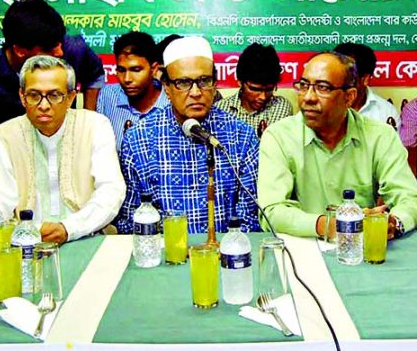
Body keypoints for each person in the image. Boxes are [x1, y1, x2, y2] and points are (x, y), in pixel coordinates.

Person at [258, 52, 417, 239]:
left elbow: (413, 201)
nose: (308, 97)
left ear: (349, 97)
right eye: (304, 86)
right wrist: (329, 225)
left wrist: (393, 222)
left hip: (361, 249)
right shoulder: (279, 136)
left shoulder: (380, 136)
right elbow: (271, 211)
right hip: (303, 250)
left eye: (322, 88)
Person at [115, 36, 260, 234]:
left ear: (215, 83)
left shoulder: (242, 136)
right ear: (166, 86)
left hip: (225, 257)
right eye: (183, 82)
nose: (195, 92)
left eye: (204, 81)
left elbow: (249, 219)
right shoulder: (138, 140)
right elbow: (131, 220)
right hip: (164, 258)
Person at [0, 55, 125, 243]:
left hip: (86, 236)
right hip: (26, 242)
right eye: (34, 95)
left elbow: (111, 191)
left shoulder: (95, 126)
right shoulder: (6, 134)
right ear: (22, 97)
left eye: (54, 95)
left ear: (70, 97)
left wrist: (69, 228)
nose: (44, 105)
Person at [0, 0, 105, 136]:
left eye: (59, 43)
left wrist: (86, 119)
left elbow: (95, 75)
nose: (59, 52)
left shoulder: (73, 48)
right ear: (20, 51)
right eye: (49, 49)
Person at [96, 31, 169, 150]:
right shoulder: (107, 96)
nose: (127, 79)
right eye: (121, 70)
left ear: (154, 69)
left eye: (136, 70)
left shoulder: (171, 101)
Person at [215, 43, 293, 136]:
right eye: (255, 89)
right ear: (240, 82)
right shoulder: (220, 109)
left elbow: (272, 147)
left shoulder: (280, 106)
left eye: (269, 89)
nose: (263, 97)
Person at [333, 43, 400, 129]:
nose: (338, 82)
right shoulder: (321, 108)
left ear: (365, 79)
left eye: (346, 77)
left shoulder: (386, 111)